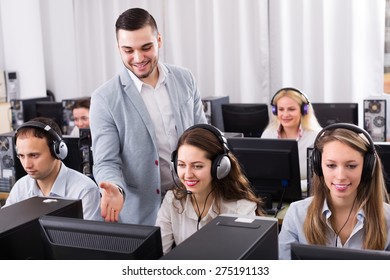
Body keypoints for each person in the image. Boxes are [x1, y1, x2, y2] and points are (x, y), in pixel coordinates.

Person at [89, 8, 207, 225]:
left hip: (194, 200)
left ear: (159, 40)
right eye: (128, 50)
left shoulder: (185, 78)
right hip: (144, 211)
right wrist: (114, 186)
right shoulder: (104, 98)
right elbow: (106, 161)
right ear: (118, 49)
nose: (138, 58)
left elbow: (204, 136)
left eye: (146, 47)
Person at [278, 123, 390, 259]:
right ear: (318, 166)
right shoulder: (297, 214)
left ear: (367, 168)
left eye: (351, 166)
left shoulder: (387, 218)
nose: (341, 176)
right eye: (331, 165)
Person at [155, 124, 265, 254]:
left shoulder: (241, 209)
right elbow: (157, 256)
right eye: (181, 165)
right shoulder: (172, 201)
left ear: (220, 167)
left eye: (197, 166)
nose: (188, 174)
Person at [3, 117, 101, 220]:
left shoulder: (84, 190)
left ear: (58, 151)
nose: (27, 165)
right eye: (22, 156)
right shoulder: (20, 188)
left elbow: (86, 236)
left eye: (34, 155)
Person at [261, 87, 322, 184]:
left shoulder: (316, 136)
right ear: (275, 111)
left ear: (303, 110)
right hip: (275, 193)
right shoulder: (268, 134)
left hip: (308, 193)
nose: (285, 114)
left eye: (291, 109)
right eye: (281, 109)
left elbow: (322, 175)